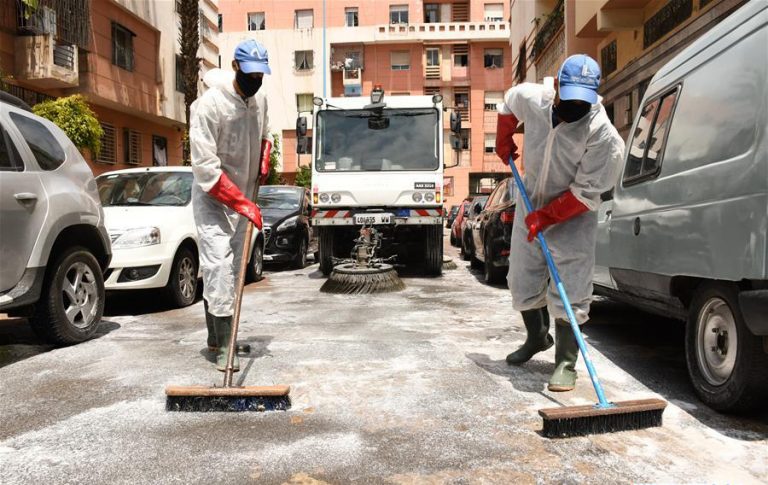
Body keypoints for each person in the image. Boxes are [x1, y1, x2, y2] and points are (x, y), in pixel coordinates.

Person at [495, 54, 625, 391]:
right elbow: (508, 103)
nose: (574, 108)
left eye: (582, 102)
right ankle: (537, 336)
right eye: (568, 99)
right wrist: (503, 136)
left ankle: (566, 363)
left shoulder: (604, 136)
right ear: (556, 89)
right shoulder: (533, 99)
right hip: (530, 202)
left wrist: (548, 216)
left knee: (571, 288)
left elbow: (586, 194)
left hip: (573, 217)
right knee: (521, 279)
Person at [189, 39, 273, 372]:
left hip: (243, 195)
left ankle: (220, 337)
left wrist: (265, 157)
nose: (256, 80)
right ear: (236, 67)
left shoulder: (260, 100)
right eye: (251, 74)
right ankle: (223, 347)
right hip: (213, 198)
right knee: (219, 267)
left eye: (261, 74)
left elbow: (266, 132)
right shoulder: (209, 106)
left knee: (236, 266)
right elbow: (205, 169)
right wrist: (242, 203)